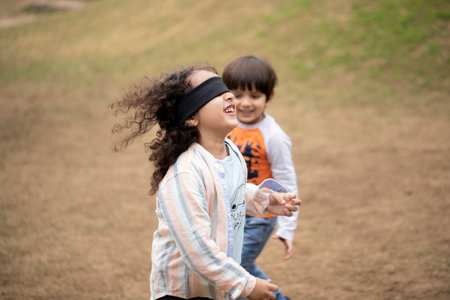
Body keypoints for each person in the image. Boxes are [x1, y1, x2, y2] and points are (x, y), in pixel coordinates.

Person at [110, 65, 301, 300]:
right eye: (214, 92)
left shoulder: (232, 153)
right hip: (182, 293)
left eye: (225, 89)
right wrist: (246, 284)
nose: (230, 95)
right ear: (191, 117)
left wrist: (265, 199)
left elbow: (230, 193)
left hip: (215, 289)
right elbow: (198, 249)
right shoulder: (185, 175)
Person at [223, 56, 299, 300]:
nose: (245, 103)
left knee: (234, 269)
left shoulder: (274, 136)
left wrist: (287, 227)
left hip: (261, 218)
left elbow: (287, 182)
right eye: (237, 94)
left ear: (269, 98)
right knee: (238, 267)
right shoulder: (223, 124)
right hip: (230, 212)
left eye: (255, 96)